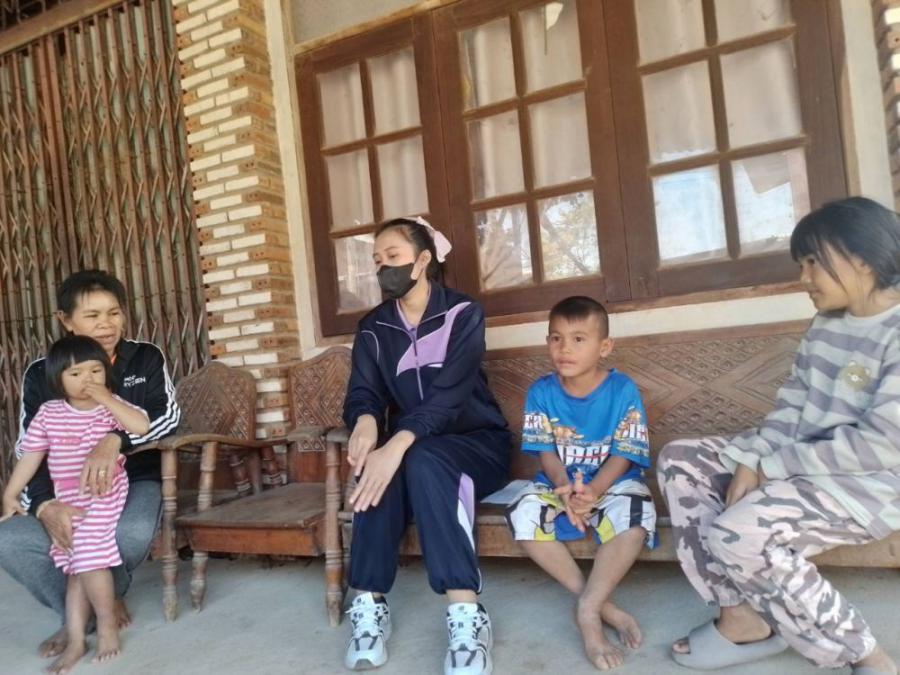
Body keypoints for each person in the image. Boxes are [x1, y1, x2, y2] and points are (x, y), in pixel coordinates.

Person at [657, 196, 900, 674]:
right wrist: (754, 457)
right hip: (799, 464)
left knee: (739, 532)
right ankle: (741, 619)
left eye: (813, 263)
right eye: (801, 265)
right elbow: (793, 405)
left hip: (867, 486)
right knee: (682, 459)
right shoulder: (826, 325)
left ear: (862, 259)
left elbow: (885, 442)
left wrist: (773, 467)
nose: (804, 277)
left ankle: (863, 654)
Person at [341, 217, 511, 675]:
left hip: (478, 445)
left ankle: (466, 613)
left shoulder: (463, 314)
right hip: (415, 450)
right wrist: (364, 423)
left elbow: (449, 398)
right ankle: (368, 605)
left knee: (417, 457)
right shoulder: (373, 328)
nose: (383, 268)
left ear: (422, 261)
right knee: (382, 465)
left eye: (393, 257)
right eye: (377, 260)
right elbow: (363, 392)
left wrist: (396, 442)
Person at [0, 270, 181, 660]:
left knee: (131, 533)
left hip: (133, 479)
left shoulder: (144, 357)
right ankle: (81, 617)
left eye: (114, 313)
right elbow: (30, 447)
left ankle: (102, 603)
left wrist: (115, 440)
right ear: (65, 320)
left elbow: (166, 418)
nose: (106, 324)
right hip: (65, 487)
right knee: (9, 540)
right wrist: (43, 505)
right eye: (92, 315)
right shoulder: (42, 373)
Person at [505, 296, 657, 671]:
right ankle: (599, 604)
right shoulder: (541, 392)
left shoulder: (622, 390)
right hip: (559, 483)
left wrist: (594, 490)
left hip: (612, 483)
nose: (565, 349)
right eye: (556, 338)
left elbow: (624, 453)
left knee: (637, 516)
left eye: (578, 339)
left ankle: (587, 609)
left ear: (604, 347)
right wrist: (564, 488)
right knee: (522, 512)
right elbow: (546, 453)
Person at [3, 335, 150, 673]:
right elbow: (31, 456)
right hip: (68, 498)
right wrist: (10, 494)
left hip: (104, 494)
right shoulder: (49, 413)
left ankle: (106, 628)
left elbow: (141, 426)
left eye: (95, 370)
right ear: (58, 379)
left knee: (86, 557)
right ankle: (77, 639)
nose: (88, 379)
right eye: (76, 373)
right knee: (74, 569)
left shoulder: (111, 407)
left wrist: (108, 398)